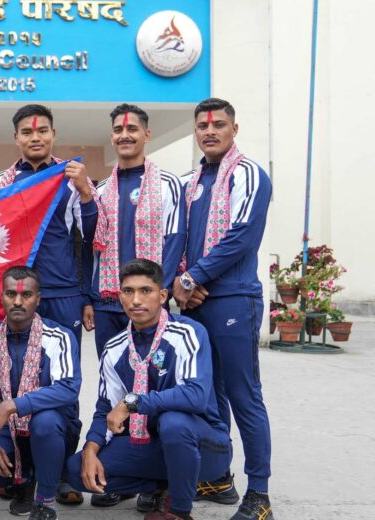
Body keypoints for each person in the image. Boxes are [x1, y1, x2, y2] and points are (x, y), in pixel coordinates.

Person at [66, 259, 232, 520]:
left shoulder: (188, 333)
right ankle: (165, 485)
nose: (136, 300)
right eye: (128, 291)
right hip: (149, 443)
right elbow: (106, 408)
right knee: (77, 470)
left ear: (162, 296)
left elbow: (196, 396)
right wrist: (91, 447)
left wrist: (132, 403)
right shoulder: (114, 348)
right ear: (119, 296)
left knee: (173, 422)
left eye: (146, 290)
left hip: (204, 446)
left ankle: (178, 511)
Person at [172, 98, 274, 520]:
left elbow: (241, 236)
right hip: (194, 302)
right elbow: (176, 239)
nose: (209, 131)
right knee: (208, 397)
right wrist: (183, 282)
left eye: (218, 124)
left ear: (234, 128)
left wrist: (192, 279)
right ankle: (218, 478)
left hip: (233, 299)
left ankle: (260, 495)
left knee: (243, 395)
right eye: (202, 125)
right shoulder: (189, 181)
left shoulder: (249, 174)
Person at [85, 103, 187, 509]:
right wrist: (91, 298)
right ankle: (123, 475)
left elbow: (175, 239)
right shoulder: (100, 190)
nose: (124, 135)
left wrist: (159, 294)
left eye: (131, 129)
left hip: (151, 307)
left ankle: (156, 482)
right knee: (116, 386)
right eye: (117, 130)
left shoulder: (168, 184)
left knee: (157, 386)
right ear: (111, 136)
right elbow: (91, 250)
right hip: (110, 303)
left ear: (147, 134)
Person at [0, 266, 82, 520]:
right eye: (11, 294)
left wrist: (11, 405)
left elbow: (68, 389)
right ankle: (25, 479)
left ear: (38, 299)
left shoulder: (59, 338)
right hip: (10, 431)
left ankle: (45, 500)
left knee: (45, 421)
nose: (18, 301)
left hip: (52, 432)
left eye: (26, 295)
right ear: (2, 297)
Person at [0, 104, 97, 347]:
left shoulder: (73, 177)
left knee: (65, 362)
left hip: (62, 290)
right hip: (16, 292)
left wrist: (86, 193)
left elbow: (93, 236)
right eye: (27, 132)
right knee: (15, 363)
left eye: (42, 131)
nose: (35, 138)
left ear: (53, 134)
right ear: (16, 138)